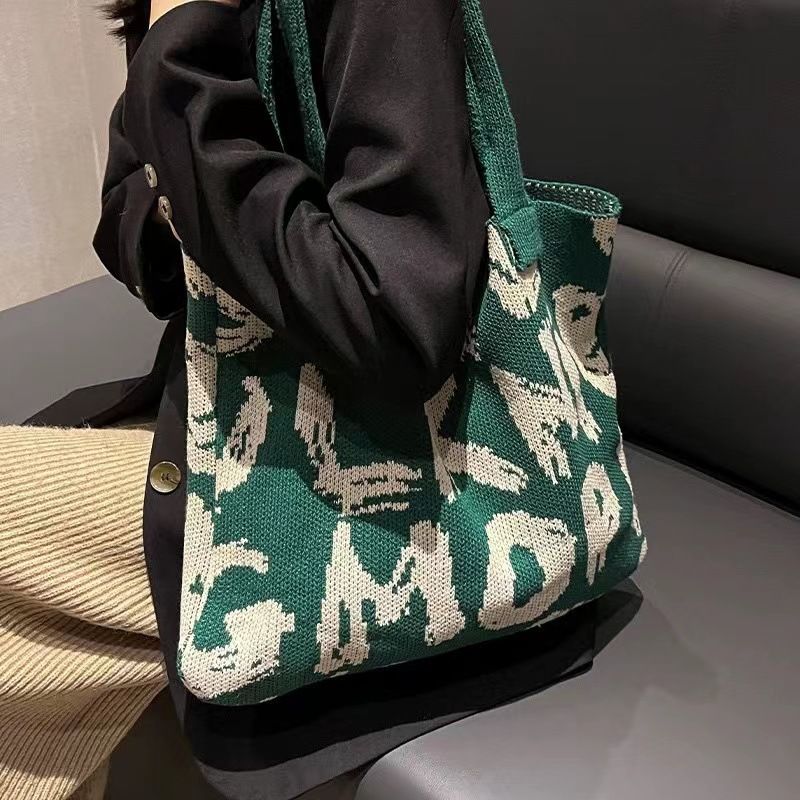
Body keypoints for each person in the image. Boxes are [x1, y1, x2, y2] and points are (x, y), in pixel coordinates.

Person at [0, 2, 596, 798]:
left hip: (399, 489)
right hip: (225, 415)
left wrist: (184, 71)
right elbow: (137, 241)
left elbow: (394, 328)